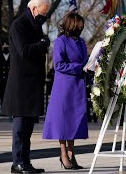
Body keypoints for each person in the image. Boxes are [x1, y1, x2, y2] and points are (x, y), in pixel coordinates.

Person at [1, 0, 51, 173]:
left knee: (28, 129)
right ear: (34, 8)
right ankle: (17, 162)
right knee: (20, 128)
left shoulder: (34, 25)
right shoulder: (19, 25)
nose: (44, 17)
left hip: (32, 84)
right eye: (43, 13)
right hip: (21, 85)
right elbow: (24, 50)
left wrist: (41, 43)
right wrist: (42, 43)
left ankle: (26, 162)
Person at [42, 12, 88, 170]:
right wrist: (79, 67)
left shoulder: (81, 41)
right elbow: (59, 65)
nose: (81, 28)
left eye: (82, 26)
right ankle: (64, 155)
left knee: (73, 122)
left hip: (77, 86)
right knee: (63, 122)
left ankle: (72, 154)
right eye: (79, 26)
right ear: (71, 25)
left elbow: (86, 61)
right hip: (64, 87)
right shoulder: (61, 41)